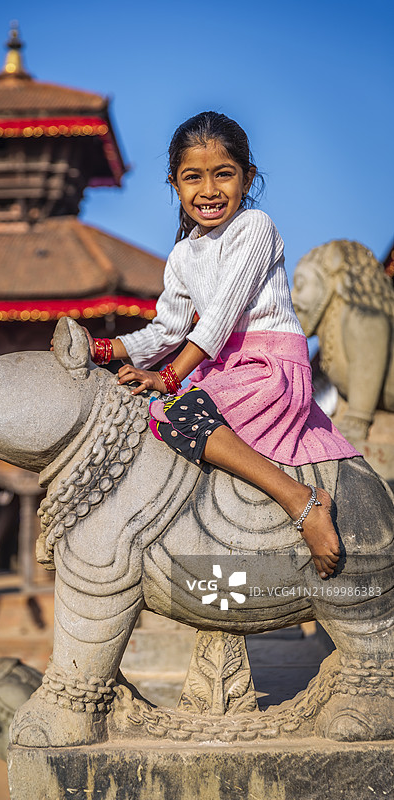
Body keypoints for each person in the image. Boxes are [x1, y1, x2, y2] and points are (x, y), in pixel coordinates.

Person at [86, 111, 359, 579]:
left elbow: (218, 319)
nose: (208, 190)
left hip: (270, 367)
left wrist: (168, 376)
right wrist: (102, 350)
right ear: (174, 183)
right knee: (154, 421)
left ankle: (303, 502)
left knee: (176, 411)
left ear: (247, 177)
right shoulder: (182, 255)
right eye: (193, 178)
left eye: (224, 175)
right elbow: (166, 330)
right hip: (224, 371)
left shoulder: (256, 227)